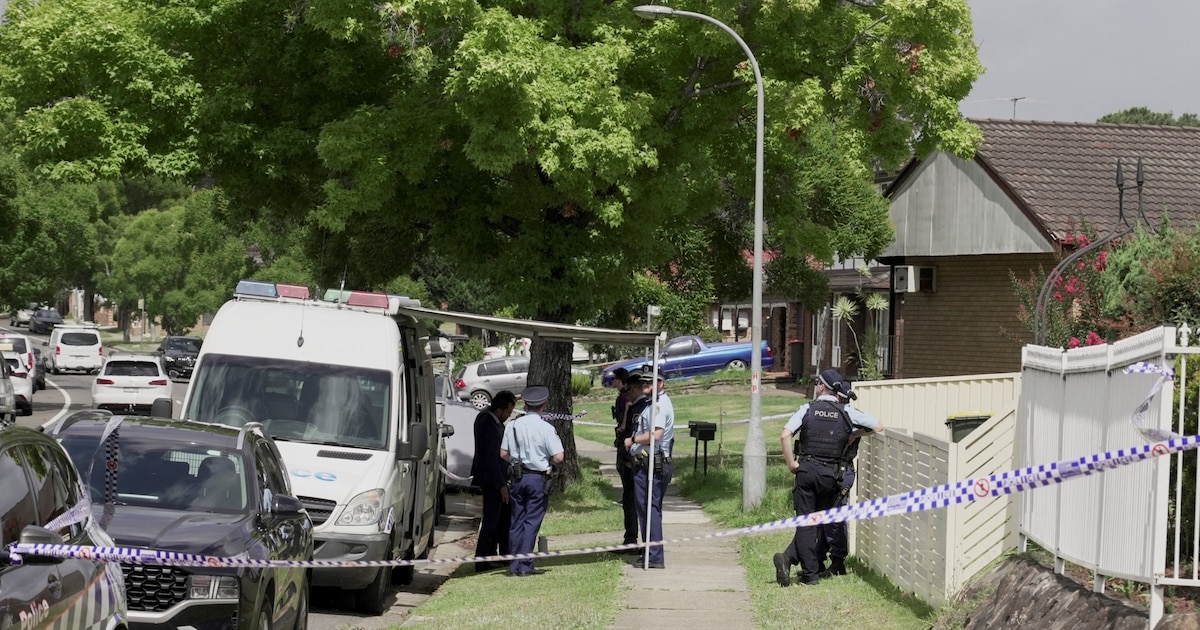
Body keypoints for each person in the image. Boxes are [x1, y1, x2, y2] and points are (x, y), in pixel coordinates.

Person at [773, 369, 883, 587]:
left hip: (807, 471)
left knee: (806, 524)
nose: (816, 385)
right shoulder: (847, 412)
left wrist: (792, 464)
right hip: (832, 475)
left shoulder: (807, 409)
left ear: (822, 387)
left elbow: (785, 435)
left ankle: (808, 573)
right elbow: (878, 426)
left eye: (817, 382)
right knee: (820, 521)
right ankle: (798, 565)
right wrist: (854, 434)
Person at [501, 386, 565, 577]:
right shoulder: (546, 428)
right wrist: (546, 460)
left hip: (517, 477)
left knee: (516, 521)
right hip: (537, 478)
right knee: (532, 521)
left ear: (526, 405)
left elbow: (503, 453)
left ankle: (514, 564)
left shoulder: (512, 426)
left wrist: (515, 462)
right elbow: (559, 457)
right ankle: (525, 564)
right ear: (543, 406)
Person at [624, 367, 674, 569]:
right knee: (646, 510)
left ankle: (654, 555)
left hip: (651, 464)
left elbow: (656, 434)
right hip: (647, 463)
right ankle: (650, 552)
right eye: (643, 382)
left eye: (649, 382)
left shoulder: (658, 405)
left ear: (660, 383)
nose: (644, 385)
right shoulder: (652, 403)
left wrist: (633, 440)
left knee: (649, 510)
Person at [815, 378, 859, 578]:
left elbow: (875, 426)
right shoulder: (836, 414)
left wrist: (855, 434)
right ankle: (818, 560)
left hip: (842, 472)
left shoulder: (849, 415)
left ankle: (838, 562)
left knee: (834, 518)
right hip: (829, 471)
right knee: (823, 517)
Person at [471, 390, 517, 572]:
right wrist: (501, 485)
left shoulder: (490, 420)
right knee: (491, 520)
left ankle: (501, 553)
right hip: (492, 480)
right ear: (499, 410)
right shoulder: (488, 424)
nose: (508, 416)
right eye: (508, 412)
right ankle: (483, 558)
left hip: (496, 478)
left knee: (503, 517)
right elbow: (491, 458)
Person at [612, 368, 640, 548]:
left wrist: (622, 426)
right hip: (627, 447)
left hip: (630, 450)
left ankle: (631, 538)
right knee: (629, 496)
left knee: (630, 496)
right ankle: (630, 537)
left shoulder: (628, 398)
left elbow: (628, 408)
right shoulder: (627, 397)